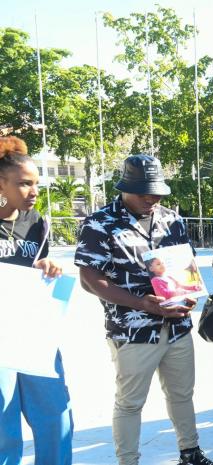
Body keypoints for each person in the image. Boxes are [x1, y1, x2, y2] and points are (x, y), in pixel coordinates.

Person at [74, 154, 213, 465]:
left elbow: (186, 268)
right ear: (125, 188)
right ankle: (128, 461)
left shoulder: (172, 220)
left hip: (177, 326)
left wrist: (189, 294)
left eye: (156, 192)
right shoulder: (99, 223)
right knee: (129, 403)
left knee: (181, 395)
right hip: (132, 329)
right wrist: (140, 303)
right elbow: (89, 279)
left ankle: (190, 453)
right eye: (144, 192)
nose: (151, 198)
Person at [0, 136, 72, 465]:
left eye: (36, 184)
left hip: (32, 333)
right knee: (5, 433)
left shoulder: (37, 224)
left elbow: (37, 268)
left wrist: (48, 265)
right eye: (24, 184)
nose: (33, 191)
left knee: (57, 420)